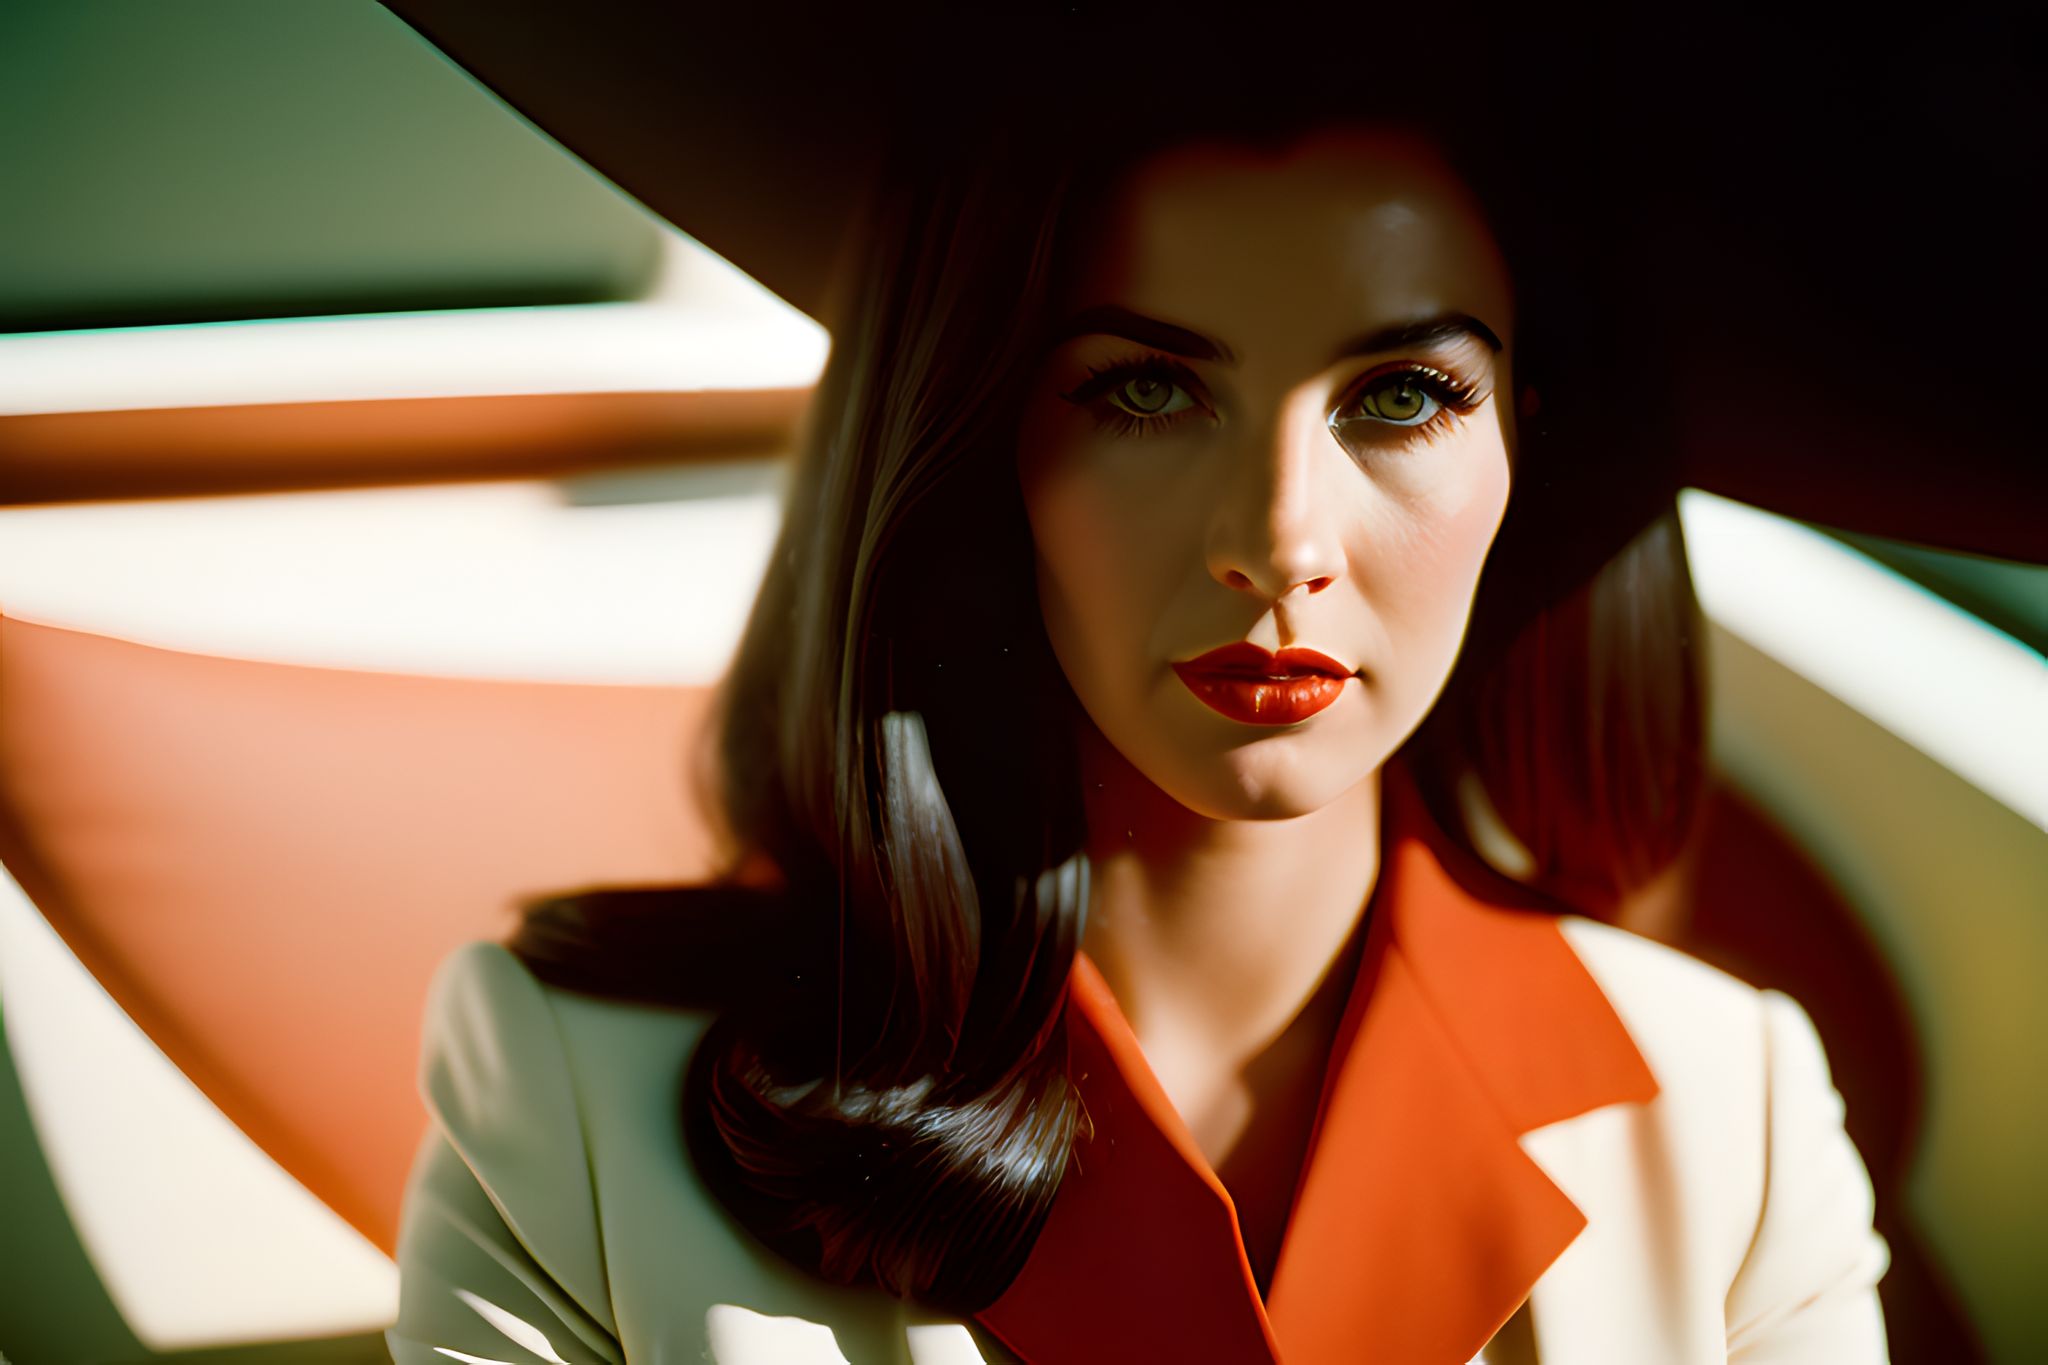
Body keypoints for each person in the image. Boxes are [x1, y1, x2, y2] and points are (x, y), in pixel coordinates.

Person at [384, 60, 1891, 1365]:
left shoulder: (1734, 1109)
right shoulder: (581, 1100)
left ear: (1528, 451)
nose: (1280, 536)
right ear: (984, 444)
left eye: (1404, 392)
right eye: (1149, 392)